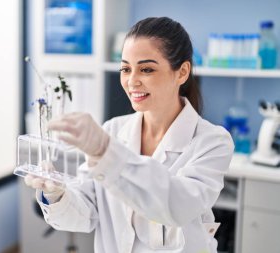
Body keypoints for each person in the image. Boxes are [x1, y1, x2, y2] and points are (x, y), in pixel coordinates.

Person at [25, 17, 234, 253]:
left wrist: (106, 152)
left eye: (146, 69)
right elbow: (88, 213)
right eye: (125, 68)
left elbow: (176, 206)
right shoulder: (113, 130)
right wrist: (56, 194)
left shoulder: (212, 141)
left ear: (182, 72)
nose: (132, 81)